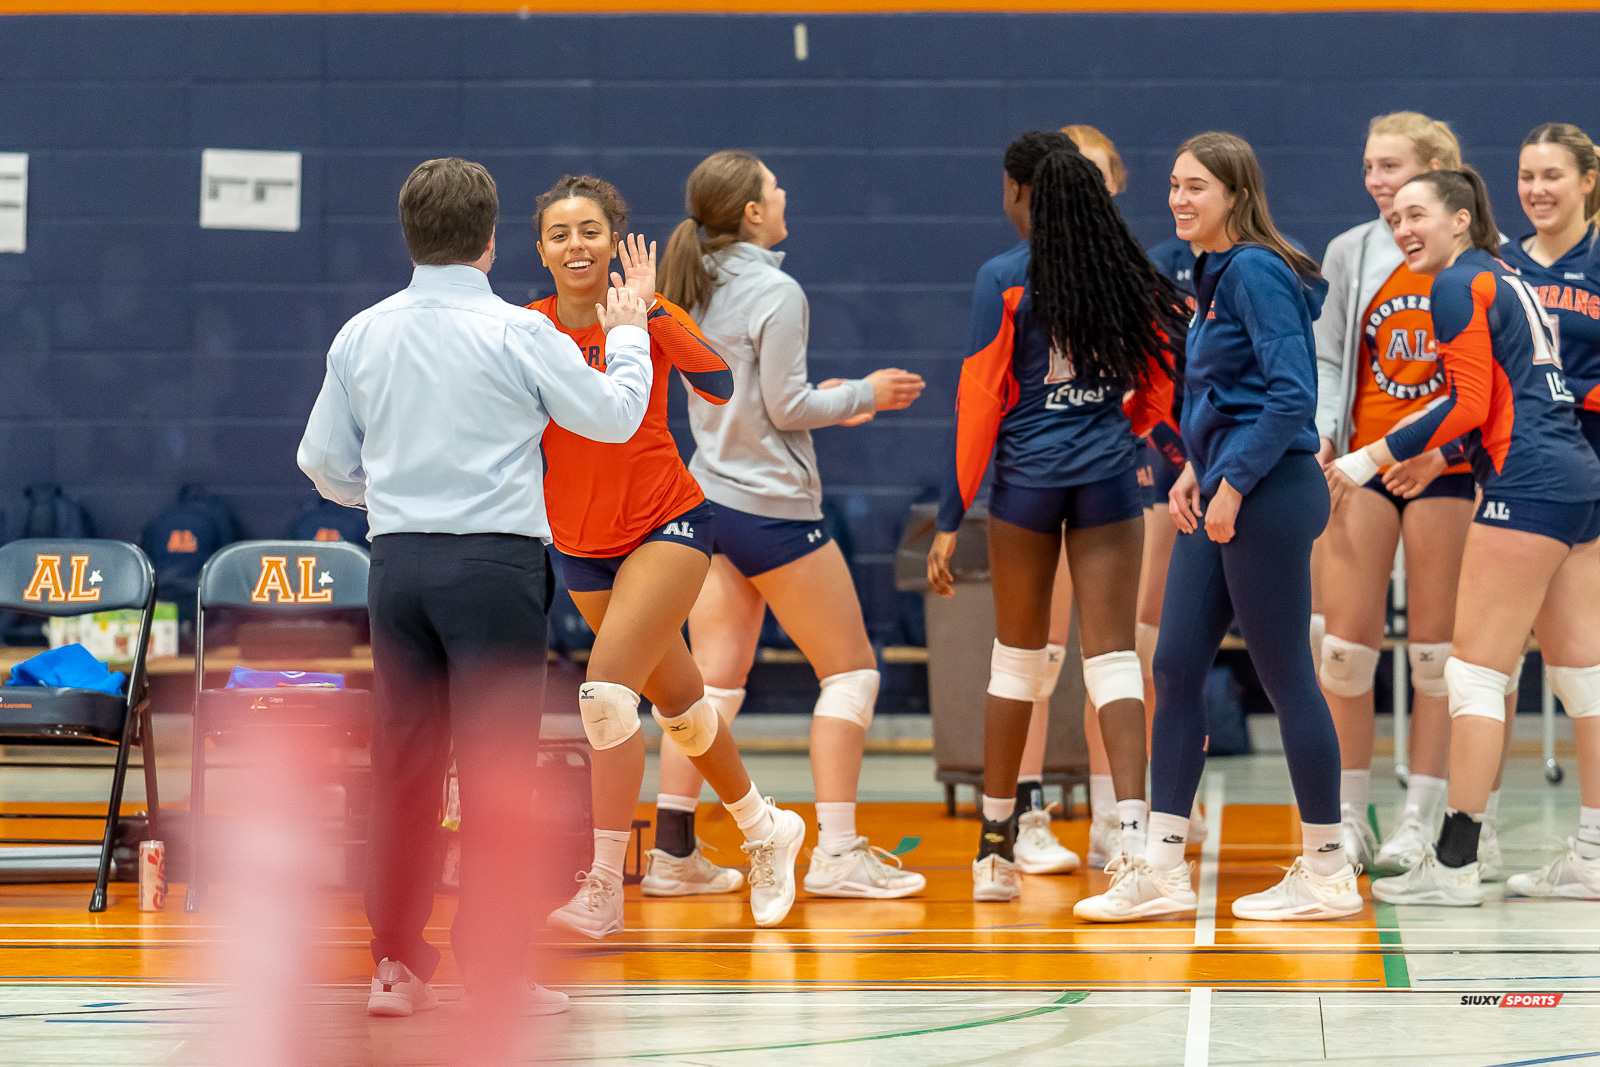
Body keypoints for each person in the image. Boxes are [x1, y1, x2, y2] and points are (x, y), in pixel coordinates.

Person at [298, 157, 649, 1016]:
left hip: (399, 567)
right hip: (493, 569)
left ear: (411, 236)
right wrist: (631, 329)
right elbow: (612, 416)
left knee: (404, 769)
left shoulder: (361, 333)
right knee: (496, 775)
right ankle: (493, 973)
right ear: (491, 243)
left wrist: (379, 492)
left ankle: (395, 969)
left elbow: (319, 462)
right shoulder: (517, 333)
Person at [1077, 132, 1363, 923]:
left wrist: (1232, 479)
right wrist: (1200, 467)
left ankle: (1329, 868)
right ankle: (1160, 867)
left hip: (1268, 493)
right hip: (1227, 488)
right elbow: (1225, 398)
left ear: (1235, 193)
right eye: (1173, 184)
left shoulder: (1259, 271)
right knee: (1172, 664)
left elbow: (1289, 398)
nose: (1179, 199)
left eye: (1196, 186)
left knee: (1286, 677)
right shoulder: (1213, 274)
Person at [644, 149, 928, 900]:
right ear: (751, 212)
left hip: (710, 502)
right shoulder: (775, 288)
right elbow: (787, 407)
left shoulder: (689, 283)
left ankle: (672, 848)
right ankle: (836, 852)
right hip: (772, 508)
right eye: (773, 187)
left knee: (712, 683)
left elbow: (755, 404)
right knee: (852, 670)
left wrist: (824, 398)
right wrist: (867, 393)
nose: (784, 192)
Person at [527, 174, 805, 938]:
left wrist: (649, 310)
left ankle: (603, 887)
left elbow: (718, 384)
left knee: (606, 697)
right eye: (560, 233)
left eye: (590, 230)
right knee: (682, 710)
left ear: (615, 240)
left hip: (667, 525)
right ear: (541, 249)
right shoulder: (526, 327)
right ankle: (763, 827)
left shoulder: (647, 315)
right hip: (580, 546)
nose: (576, 244)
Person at [1326, 168, 1600, 906]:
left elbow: (1468, 404)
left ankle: (1453, 864)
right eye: (1397, 217)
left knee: (1474, 676)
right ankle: (1595, 855)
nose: (1403, 227)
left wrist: (1369, 455)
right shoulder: (1505, 276)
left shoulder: (1457, 285)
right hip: (1578, 473)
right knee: (1583, 676)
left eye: (1418, 214)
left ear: (1460, 219)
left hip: (1527, 483)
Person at [927, 130, 1186, 904]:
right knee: (1112, 662)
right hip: (1109, 481)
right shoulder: (1131, 274)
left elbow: (978, 403)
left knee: (1018, 661)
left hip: (1027, 488)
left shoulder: (1004, 278)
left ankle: (994, 851)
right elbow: (1166, 380)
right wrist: (1128, 422)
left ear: (1020, 193)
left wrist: (950, 513)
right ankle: (1135, 847)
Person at [1311, 112, 1498, 876]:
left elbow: (1490, 386)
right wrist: (1326, 437)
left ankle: (1419, 818)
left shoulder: (1482, 262)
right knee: (1345, 652)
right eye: (1368, 167)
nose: (1376, 181)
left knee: (1434, 657)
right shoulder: (1351, 251)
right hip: (1362, 462)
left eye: (1391, 167)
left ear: (1434, 170)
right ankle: (1346, 812)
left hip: (1443, 470)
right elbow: (1329, 356)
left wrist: (1441, 451)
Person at [1050, 124, 1203, 872]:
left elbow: (1173, 383)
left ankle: (1140, 808)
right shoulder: (1025, 276)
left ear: (1116, 180)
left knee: (1139, 651)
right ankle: (1067, 816)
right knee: (1067, 655)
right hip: (1062, 480)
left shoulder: (1144, 274)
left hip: (1144, 475)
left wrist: (1185, 458)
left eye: (1098, 171)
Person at [1494, 125, 1600, 899]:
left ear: (1588, 181)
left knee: (1584, 663)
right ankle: (1480, 833)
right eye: (1528, 175)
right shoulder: (1503, 264)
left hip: (1585, 468)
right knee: (1501, 660)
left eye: (1552, 175)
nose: (1537, 188)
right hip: (1520, 474)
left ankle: (1593, 845)